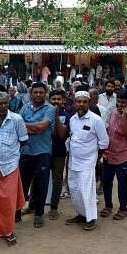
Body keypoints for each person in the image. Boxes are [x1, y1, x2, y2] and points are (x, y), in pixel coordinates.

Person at [0, 92, 28, 246]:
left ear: (8, 103)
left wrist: (14, 156)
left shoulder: (17, 119)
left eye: (5, 103)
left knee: (8, 201)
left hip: (10, 166)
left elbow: (24, 141)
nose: (3, 106)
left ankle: (9, 231)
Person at [65, 91, 109, 231]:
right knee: (74, 189)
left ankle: (91, 218)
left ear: (89, 103)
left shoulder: (96, 120)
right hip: (73, 161)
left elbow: (104, 143)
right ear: (75, 103)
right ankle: (81, 214)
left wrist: (96, 159)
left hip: (88, 162)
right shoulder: (72, 119)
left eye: (84, 101)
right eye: (79, 101)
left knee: (86, 190)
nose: (81, 104)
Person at [19, 82, 56, 229]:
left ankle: (39, 214)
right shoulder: (25, 107)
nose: (38, 95)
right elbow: (18, 126)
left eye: (41, 92)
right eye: (36, 92)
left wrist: (25, 125)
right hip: (25, 152)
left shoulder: (50, 109)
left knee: (41, 185)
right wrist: (34, 126)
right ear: (31, 93)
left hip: (43, 152)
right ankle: (18, 211)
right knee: (22, 184)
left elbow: (41, 128)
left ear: (45, 93)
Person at [100, 89, 127, 220]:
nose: (120, 105)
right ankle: (108, 206)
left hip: (123, 155)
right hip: (109, 153)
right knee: (106, 181)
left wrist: (123, 118)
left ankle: (123, 209)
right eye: (118, 101)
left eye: (123, 102)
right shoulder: (112, 113)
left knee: (122, 182)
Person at [47, 89, 71, 219]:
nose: (56, 102)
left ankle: (54, 207)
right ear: (49, 100)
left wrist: (55, 116)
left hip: (59, 153)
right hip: (44, 151)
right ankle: (33, 205)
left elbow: (61, 135)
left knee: (57, 180)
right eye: (53, 99)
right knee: (40, 178)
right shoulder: (43, 113)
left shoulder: (66, 116)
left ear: (63, 101)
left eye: (58, 99)